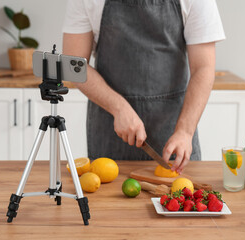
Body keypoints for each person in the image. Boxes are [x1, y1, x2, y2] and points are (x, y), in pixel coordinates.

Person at [62, 0, 225, 173]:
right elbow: (73, 65)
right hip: (111, 127)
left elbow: (203, 68)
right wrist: (119, 108)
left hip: (173, 128)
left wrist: (185, 131)